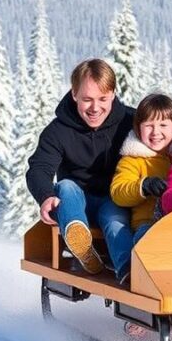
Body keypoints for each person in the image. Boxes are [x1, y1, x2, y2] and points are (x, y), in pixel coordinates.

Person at [26, 59, 135, 275]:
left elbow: (162, 134)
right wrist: (46, 196)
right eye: (87, 99)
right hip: (75, 205)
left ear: (113, 93)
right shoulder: (58, 131)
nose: (95, 108)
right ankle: (80, 243)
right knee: (65, 186)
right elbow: (39, 168)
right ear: (74, 94)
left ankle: (129, 271)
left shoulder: (130, 121)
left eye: (103, 99)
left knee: (116, 221)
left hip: (114, 201)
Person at [109, 93, 172, 284]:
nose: (156, 132)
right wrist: (144, 185)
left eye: (163, 125)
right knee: (148, 240)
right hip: (149, 222)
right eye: (149, 126)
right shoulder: (133, 159)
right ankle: (145, 281)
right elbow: (118, 192)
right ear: (138, 129)